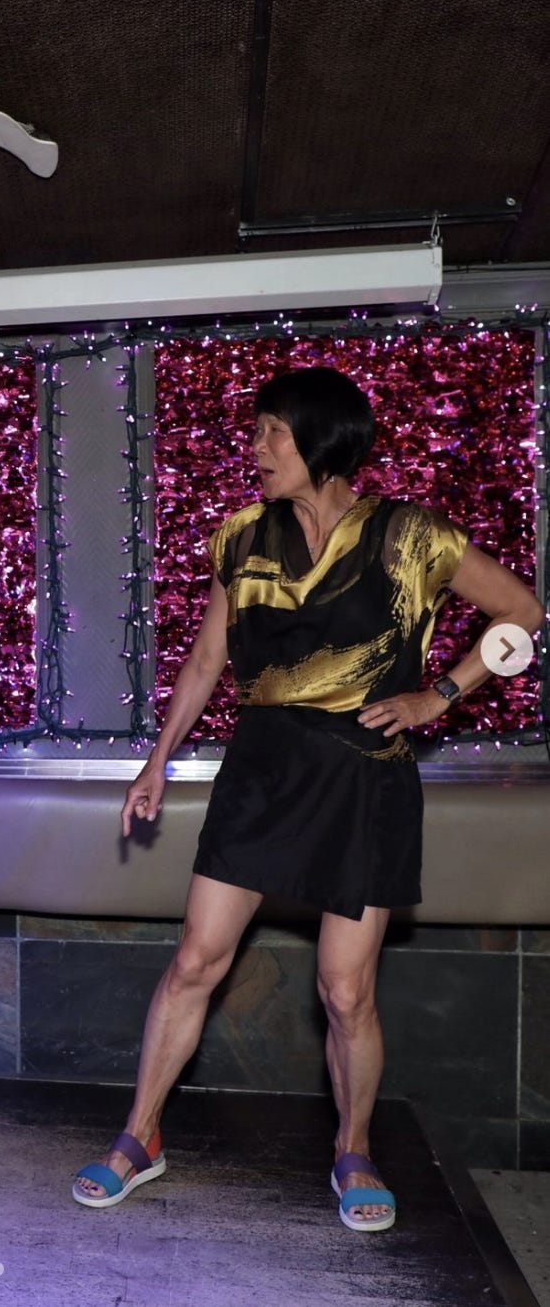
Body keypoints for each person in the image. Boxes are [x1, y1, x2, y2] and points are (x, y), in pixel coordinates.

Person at [72, 366, 543, 1231]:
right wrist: (157, 762)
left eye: (272, 432)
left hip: (363, 775)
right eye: (256, 431)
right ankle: (140, 1136)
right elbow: (206, 661)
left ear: (322, 440)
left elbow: (521, 609)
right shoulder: (241, 538)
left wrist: (439, 695)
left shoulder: (411, 535)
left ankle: (353, 1149)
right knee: (195, 961)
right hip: (261, 771)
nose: (255, 447)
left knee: (345, 990)